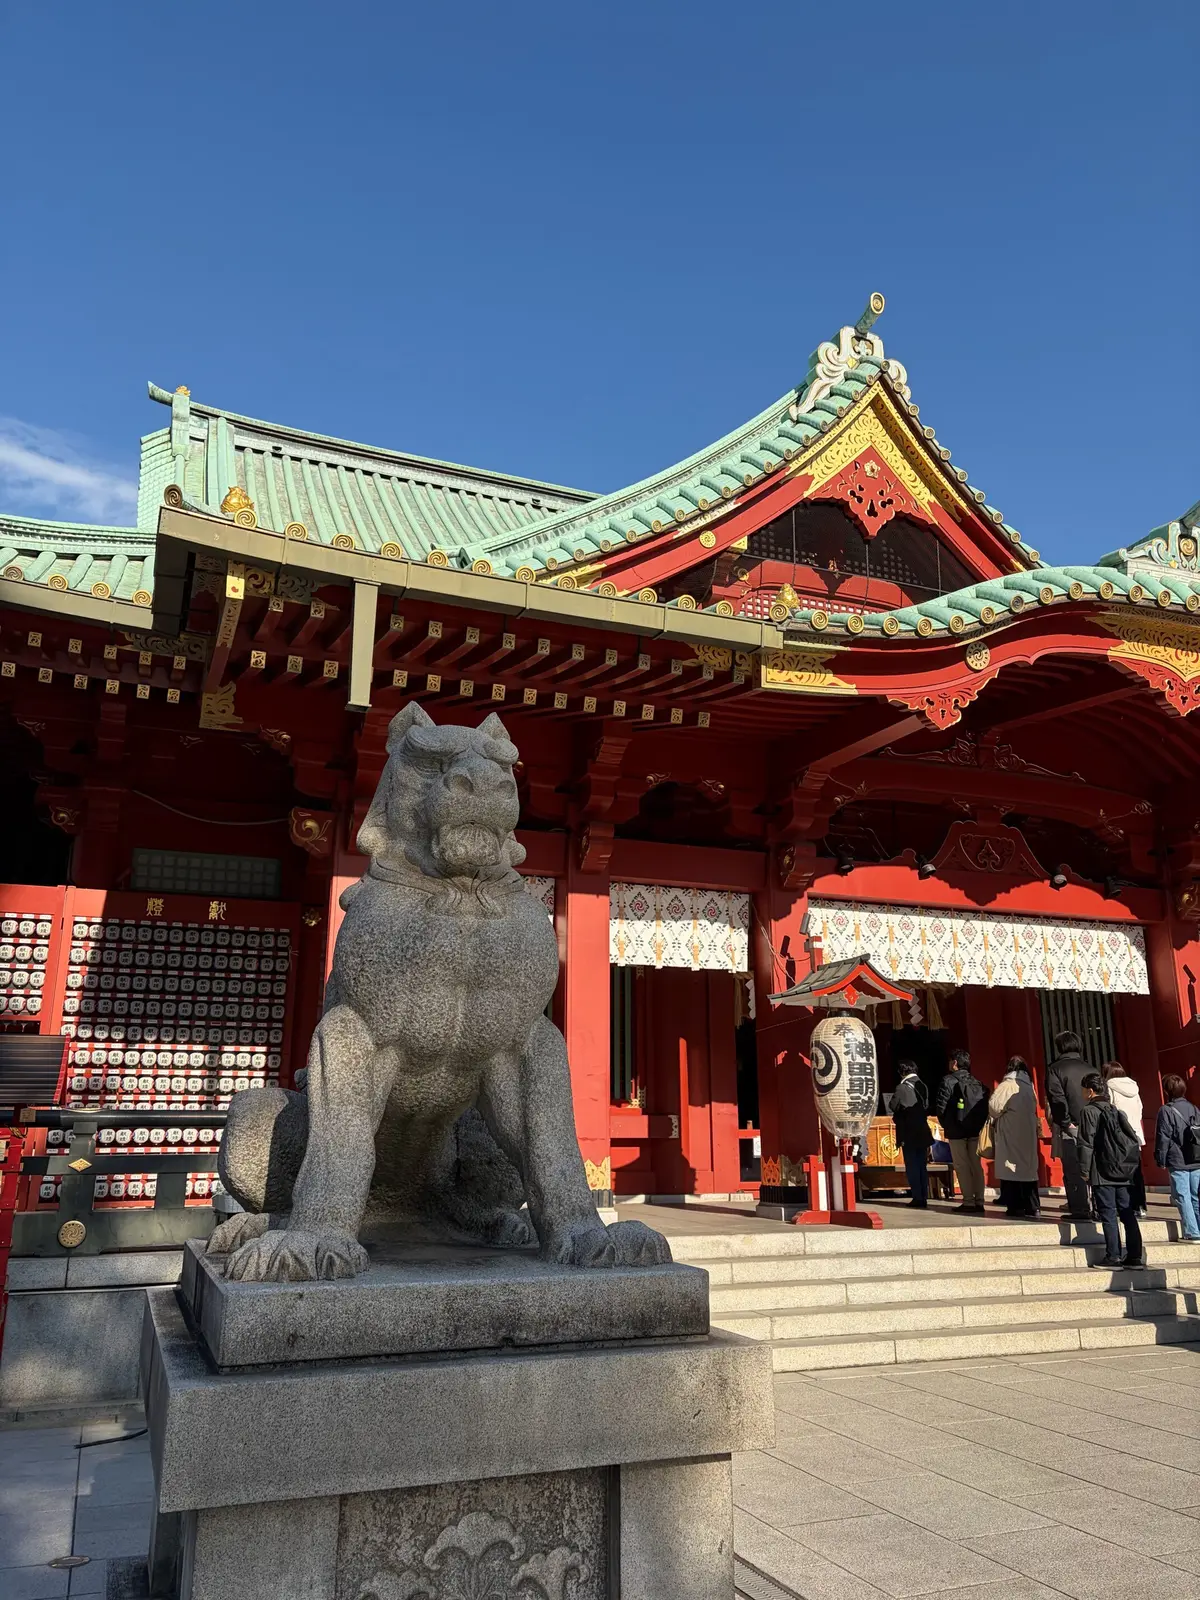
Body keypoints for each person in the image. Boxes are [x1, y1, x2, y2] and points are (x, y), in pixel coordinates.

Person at [1077, 1071, 1145, 1268]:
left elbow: (1086, 1144)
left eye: (1083, 1090)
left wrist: (1084, 1169)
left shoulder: (1088, 1112)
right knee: (1127, 1212)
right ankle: (1134, 1256)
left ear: (1090, 1091)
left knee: (1108, 1212)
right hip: (1123, 1170)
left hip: (1102, 1171)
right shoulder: (1116, 1110)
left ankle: (1113, 1256)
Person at [935, 1047, 990, 1214]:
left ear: (955, 1063)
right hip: (974, 1131)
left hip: (956, 1132)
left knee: (961, 1165)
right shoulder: (976, 1082)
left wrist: (948, 1125)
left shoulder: (948, 1081)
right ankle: (979, 1200)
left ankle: (968, 1201)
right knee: (976, 1165)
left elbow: (941, 1108)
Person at [1046, 1029, 1093, 1220]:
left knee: (1073, 1168)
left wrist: (1065, 1123)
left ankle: (1080, 1208)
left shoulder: (1055, 1069)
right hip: (1093, 1123)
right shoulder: (1090, 1068)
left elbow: (1056, 1099)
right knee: (1094, 1167)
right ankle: (1098, 1206)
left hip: (1071, 1124)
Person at [988, 1056, 1041, 1218]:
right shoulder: (1029, 1086)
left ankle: (1015, 1206)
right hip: (1028, 1132)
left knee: (1011, 1168)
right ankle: (1033, 1206)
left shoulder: (1007, 1085)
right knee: (1028, 1169)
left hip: (1011, 1131)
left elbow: (994, 1107)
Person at [1154, 1073, 1200, 1243]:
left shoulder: (1166, 1110)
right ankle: (1198, 1227)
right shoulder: (1194, 1108)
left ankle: (1192, 1232)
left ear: (1167, 1090)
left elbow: (1163, 1137)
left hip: (1178, 1158)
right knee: (1195, 1195)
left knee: (1183, 1195)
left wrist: (1160, 1158)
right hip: (1196, 1157)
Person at [1101, 1061, 1147, 1216]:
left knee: (1119, 1171)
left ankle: (1123, 1204)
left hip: (1119, 1135)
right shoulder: (1134, 1088)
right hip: (1135, 1133)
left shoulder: (1109, 1086)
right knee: (1136, 1170)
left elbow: (1110, 1109)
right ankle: (1139, 1205)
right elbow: (1140, 1110)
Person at [892, 1060, 933, 1208]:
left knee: (912, 1166)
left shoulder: (901, 1088)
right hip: (922, 1131)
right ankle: (924, 1196)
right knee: (922, 1165)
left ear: (902, 1072)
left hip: (908, 1132)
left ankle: (917, 1197)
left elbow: (893, 1105)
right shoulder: (923, 1086)